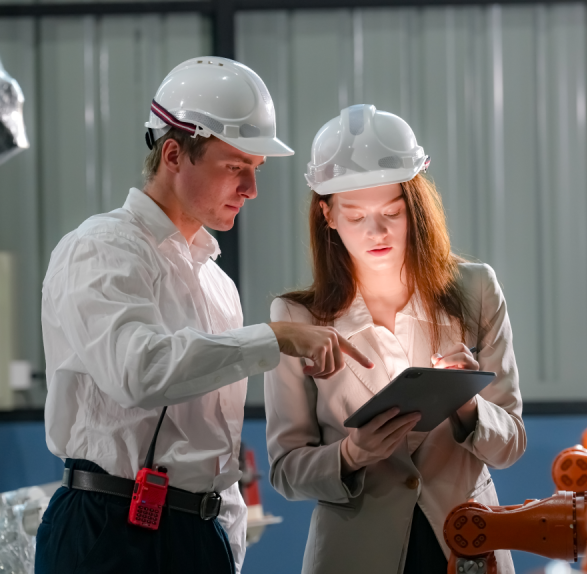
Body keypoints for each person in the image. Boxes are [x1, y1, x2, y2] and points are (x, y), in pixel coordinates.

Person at [35, 58, 373, 574]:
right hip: (110, 530)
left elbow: (217, 447)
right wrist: (274, 338)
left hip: (198, 532)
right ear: (174, 153)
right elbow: (140, 372)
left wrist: (226, 539)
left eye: (255, 171)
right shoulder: (101, 249)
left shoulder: (216, 284)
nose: (251, 190)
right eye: (235, 167)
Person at [264, 104, 527, 574]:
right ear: (327, 214)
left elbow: (510, 444)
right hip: (355, 553)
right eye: (356, 215)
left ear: (415, 205)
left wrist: (468, 407)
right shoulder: (297, 317)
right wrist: (350, 455)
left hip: (466, 540)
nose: (376, 231)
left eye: (391, 211)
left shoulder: (476, 291)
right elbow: (285, 471)